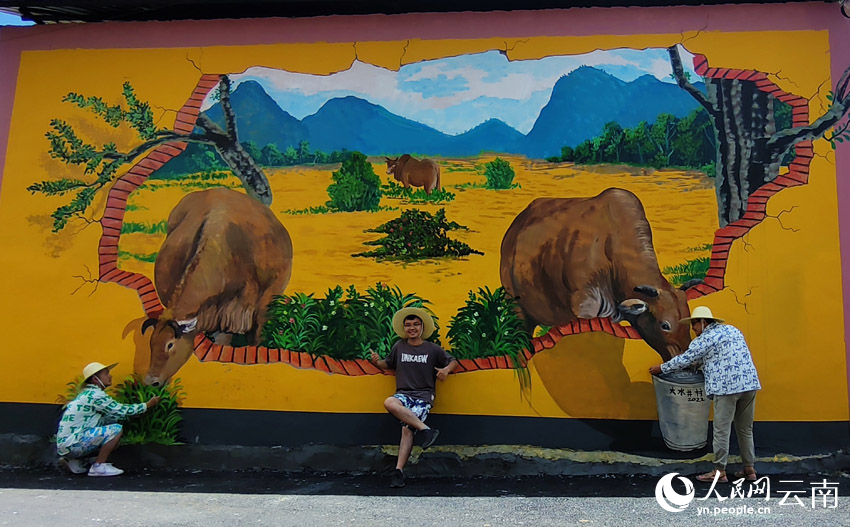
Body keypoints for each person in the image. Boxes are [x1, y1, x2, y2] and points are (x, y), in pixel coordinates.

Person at [649, 306, 761, 483]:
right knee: (745, 429)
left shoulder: (704, 339)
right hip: (749, 384)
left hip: (726, 388)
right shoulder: (733, 330)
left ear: (702, 322)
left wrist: (661, 368)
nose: (693, 330)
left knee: (721, 431)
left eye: (694, 325)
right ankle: (749, 468)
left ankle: (719, 471)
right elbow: (720, 356)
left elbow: (685, 358)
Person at [370, 307, 457, 488]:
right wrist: (376, 362)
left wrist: (446, 370)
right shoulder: (399, 346)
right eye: (408, 325)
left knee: (407, 430)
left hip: (423, 396)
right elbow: (388, 363)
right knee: (389, 402)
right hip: (403, 395)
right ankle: (426, 430)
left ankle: (398, 472)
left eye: (416, 324)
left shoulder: (432, 349)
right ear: (404, 328)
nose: (412, 328)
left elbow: (453, 361)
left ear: (422, 327)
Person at [56, 362, 160, 477]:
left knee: (111, 427)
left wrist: (133, 414)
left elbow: (112, 415)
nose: (110, 376)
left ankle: (76, 461)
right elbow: (121, 410)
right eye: (106, 374)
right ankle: (98, 466)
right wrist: (147, 405)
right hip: (74, 443)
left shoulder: (87, 394)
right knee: (115, 430)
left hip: (67, 445)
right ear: (96, 379)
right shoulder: (96, 395)